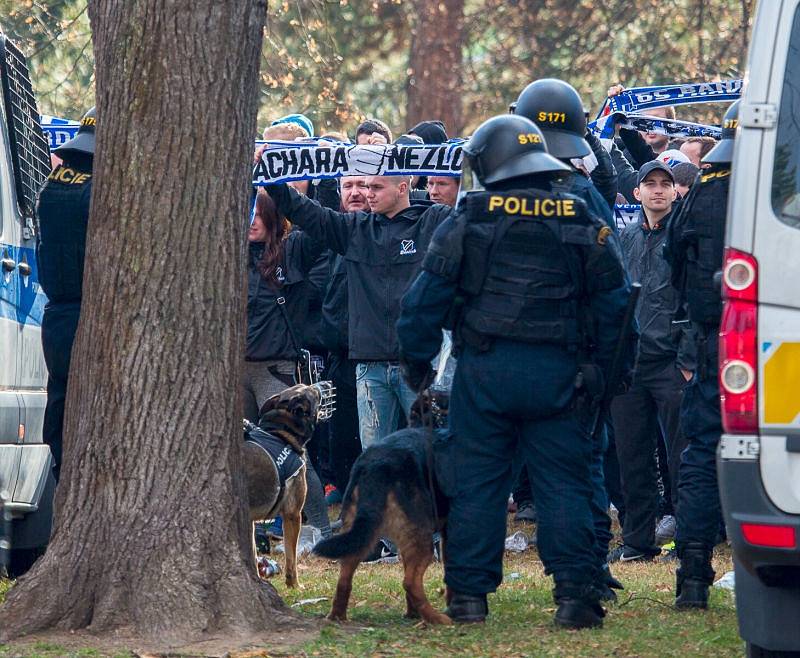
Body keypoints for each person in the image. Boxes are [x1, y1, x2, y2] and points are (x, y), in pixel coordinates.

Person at [397, 114, 632, 628]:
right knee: (564, 484)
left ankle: (467, 599)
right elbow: (617, 303)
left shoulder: (468, 217)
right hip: (560, 375)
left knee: (478, 484)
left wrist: (416, 364)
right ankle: (574, 599)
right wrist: (605, 374)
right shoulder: (580, 216)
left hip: (485, 372)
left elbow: (422, 303)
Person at [512, 78, 625, 591]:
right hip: (572, 360)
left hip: (502, 361)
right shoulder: (582, 197)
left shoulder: (486, 199)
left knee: (495, 474)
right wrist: (612, 361)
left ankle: (470, 593)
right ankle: (585, 575)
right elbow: (613, 284)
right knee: (577, 470)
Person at [264, 169, 452, 450]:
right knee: (374, 455)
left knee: (430, 455)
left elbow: (475, 209)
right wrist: (273, 178)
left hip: (419, 366)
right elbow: (308, 213)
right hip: (369, 366)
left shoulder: (434, 221)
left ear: (403, 187)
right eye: (366, 187)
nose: (367, 194)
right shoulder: (355, 229)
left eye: (376, 187)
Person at [665, 101, 740, 609]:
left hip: (716, 343)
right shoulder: (781, 186)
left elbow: (673, 262)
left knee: (702, 452)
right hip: (782, 339)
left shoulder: (701, 196)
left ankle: (693, 574)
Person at [609, 161, 694, 563]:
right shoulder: (622, 239)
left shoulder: (685, 239)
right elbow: (610, 299)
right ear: (637, 193)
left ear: (675, 192)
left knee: (682, 457)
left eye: (665, 184)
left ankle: (689, 539)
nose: (658, 190)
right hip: (629, 367)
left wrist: (687, 359)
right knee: (632, 457)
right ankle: (638, 541)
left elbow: (696, 301)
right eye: (650, 184)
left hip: (671, 364)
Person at [244, 190, 331, 538]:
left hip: (275, 369)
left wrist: (284, 187)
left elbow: (322, 227)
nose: (251, 220)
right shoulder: (225, 250)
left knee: (293, 454)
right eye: (247, 212)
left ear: (275, 217)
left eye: (258, 213)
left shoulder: (292, 249)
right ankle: (251, 531)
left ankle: (322, 531)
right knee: (239, 453)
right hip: (234, 372)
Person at [36, 107, 96, 483]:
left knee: (60, 401)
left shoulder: (54, 184)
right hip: (86, 314)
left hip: (55, 316)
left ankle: (65, 481)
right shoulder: (97, 190)